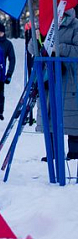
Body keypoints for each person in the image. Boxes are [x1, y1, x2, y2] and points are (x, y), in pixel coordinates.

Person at [32, 8, 78, 158]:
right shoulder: (46, 25)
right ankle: (52, 154)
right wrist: (36, 39)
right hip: (48, 79)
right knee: (50, 116)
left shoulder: (75, 26)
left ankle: (74, 153)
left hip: (70, 80)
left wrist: (58, 47)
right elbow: (33, 49)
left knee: (72, 118)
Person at [0, 23, 17, 121]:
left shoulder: (7, 44)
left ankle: (1, 112)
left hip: (1, 73)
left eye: (1, 32)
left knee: (0, 94)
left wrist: (9, 74)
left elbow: (12, 59)